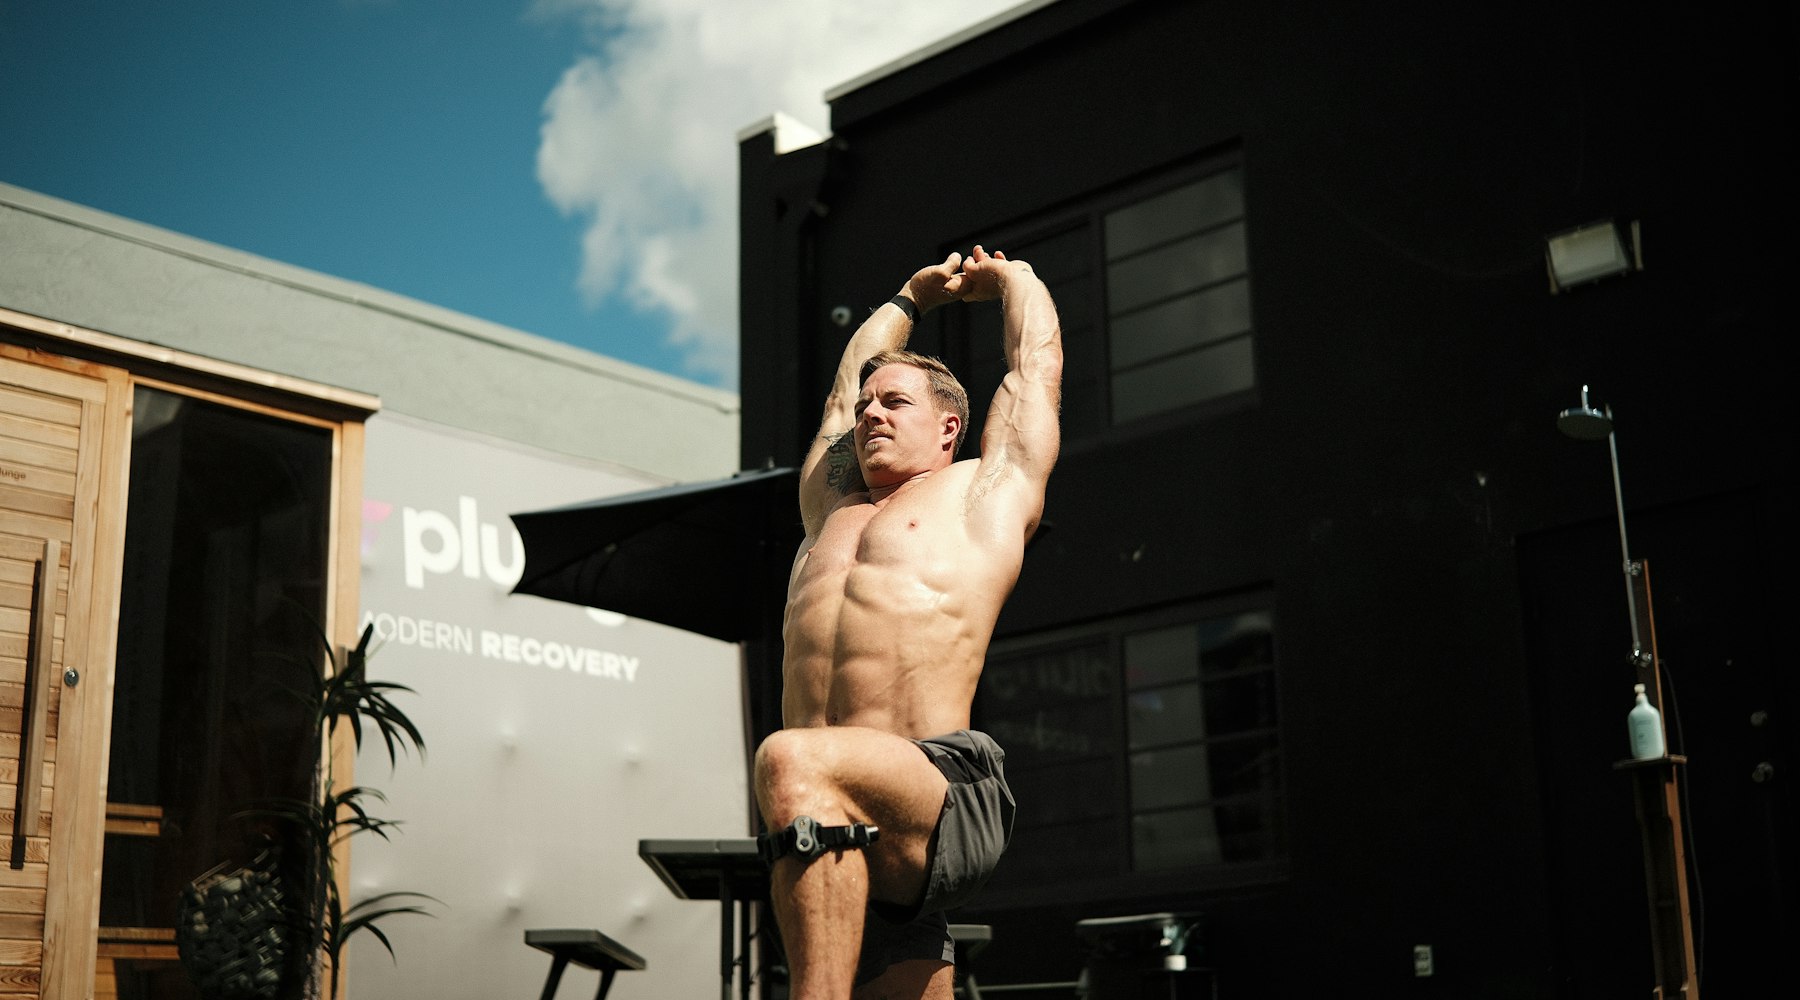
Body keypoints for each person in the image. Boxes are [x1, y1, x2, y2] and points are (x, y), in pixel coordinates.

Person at [753, 245, 1063, 998]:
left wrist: (1013, 280)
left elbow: (1031, 375)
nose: (870, 415)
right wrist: (908, 298)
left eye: (895, 403)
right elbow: (838, 396)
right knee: (808, 773)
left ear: (950, 427)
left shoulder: (982, 493)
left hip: (938, 789)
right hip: (841, 822)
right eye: (868, 408)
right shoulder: (830, 508)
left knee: (791, 759)